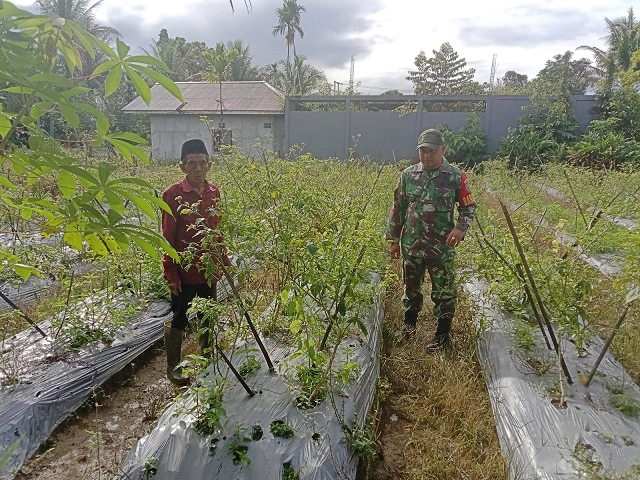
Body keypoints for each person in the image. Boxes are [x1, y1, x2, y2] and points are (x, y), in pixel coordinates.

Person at [386, 128, 476, 352]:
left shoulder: (456, 176)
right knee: (411, 289)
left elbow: (469, 207)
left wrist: (460, 229)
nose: (426, 155)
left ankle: (442, 336)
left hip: (441, 248)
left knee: (444, 291)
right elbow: (397, 208)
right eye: (422, 151)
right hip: (412, 246)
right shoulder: (408, 175)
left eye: (431, 151)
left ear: (443, 150)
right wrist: (393, 239)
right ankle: (409, 328)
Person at [161, 138, 230, 385]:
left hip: (208, 269)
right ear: (182, 167)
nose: (198, 169)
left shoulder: (214, 191)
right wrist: (171, 273)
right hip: (185, 270)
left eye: (202, 163)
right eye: (192, 164)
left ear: (209, 165)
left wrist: (223, 257)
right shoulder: (172, 195)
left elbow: (216, 229)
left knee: (207, 315)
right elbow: (167, 238)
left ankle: (208, 358)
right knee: (180, 316)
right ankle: (174, 368)